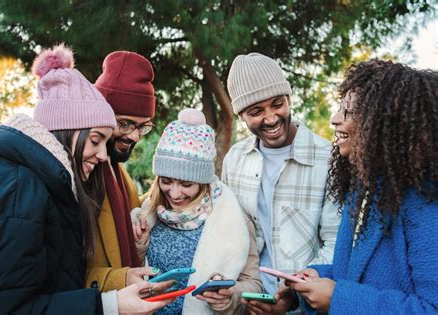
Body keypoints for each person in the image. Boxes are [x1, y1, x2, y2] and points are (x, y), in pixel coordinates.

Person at [0, 44, 171, 314]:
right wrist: (109, 304)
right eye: (95, 140)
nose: (103, 156)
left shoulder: (44, 185)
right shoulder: (14, 189)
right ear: (67, 129)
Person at [287, 60, 438, 314]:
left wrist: (338, 299)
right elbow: (355, 274)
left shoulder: (425, 203)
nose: (335, 120)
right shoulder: (363, 190)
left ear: (384, 123)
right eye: (339, 109)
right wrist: (316, 277)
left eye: (350, 112)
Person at [222, 52, 340, 314]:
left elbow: (335, 244)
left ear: (289, 99)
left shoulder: (329, 159)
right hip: (248, 303)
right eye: (256, 111)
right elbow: (231, 235)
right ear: (242, 115)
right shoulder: (234, 160)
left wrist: (290, 299)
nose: (271, 118)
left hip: (306, 306)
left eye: (278, 104)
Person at [131, 108, 263, 314]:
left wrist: (231, 295)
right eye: (166, 181)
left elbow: (253, 283)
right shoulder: (145, 212)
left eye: (186, 184)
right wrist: (139, 248)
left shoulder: (234, 218)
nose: (174, 193)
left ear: (203, 182)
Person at [85, 51, 161, 292]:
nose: (134, 136)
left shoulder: (122, 176)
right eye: (125, 123)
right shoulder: (80, 173)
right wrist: (119, 280)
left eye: (142, 126)